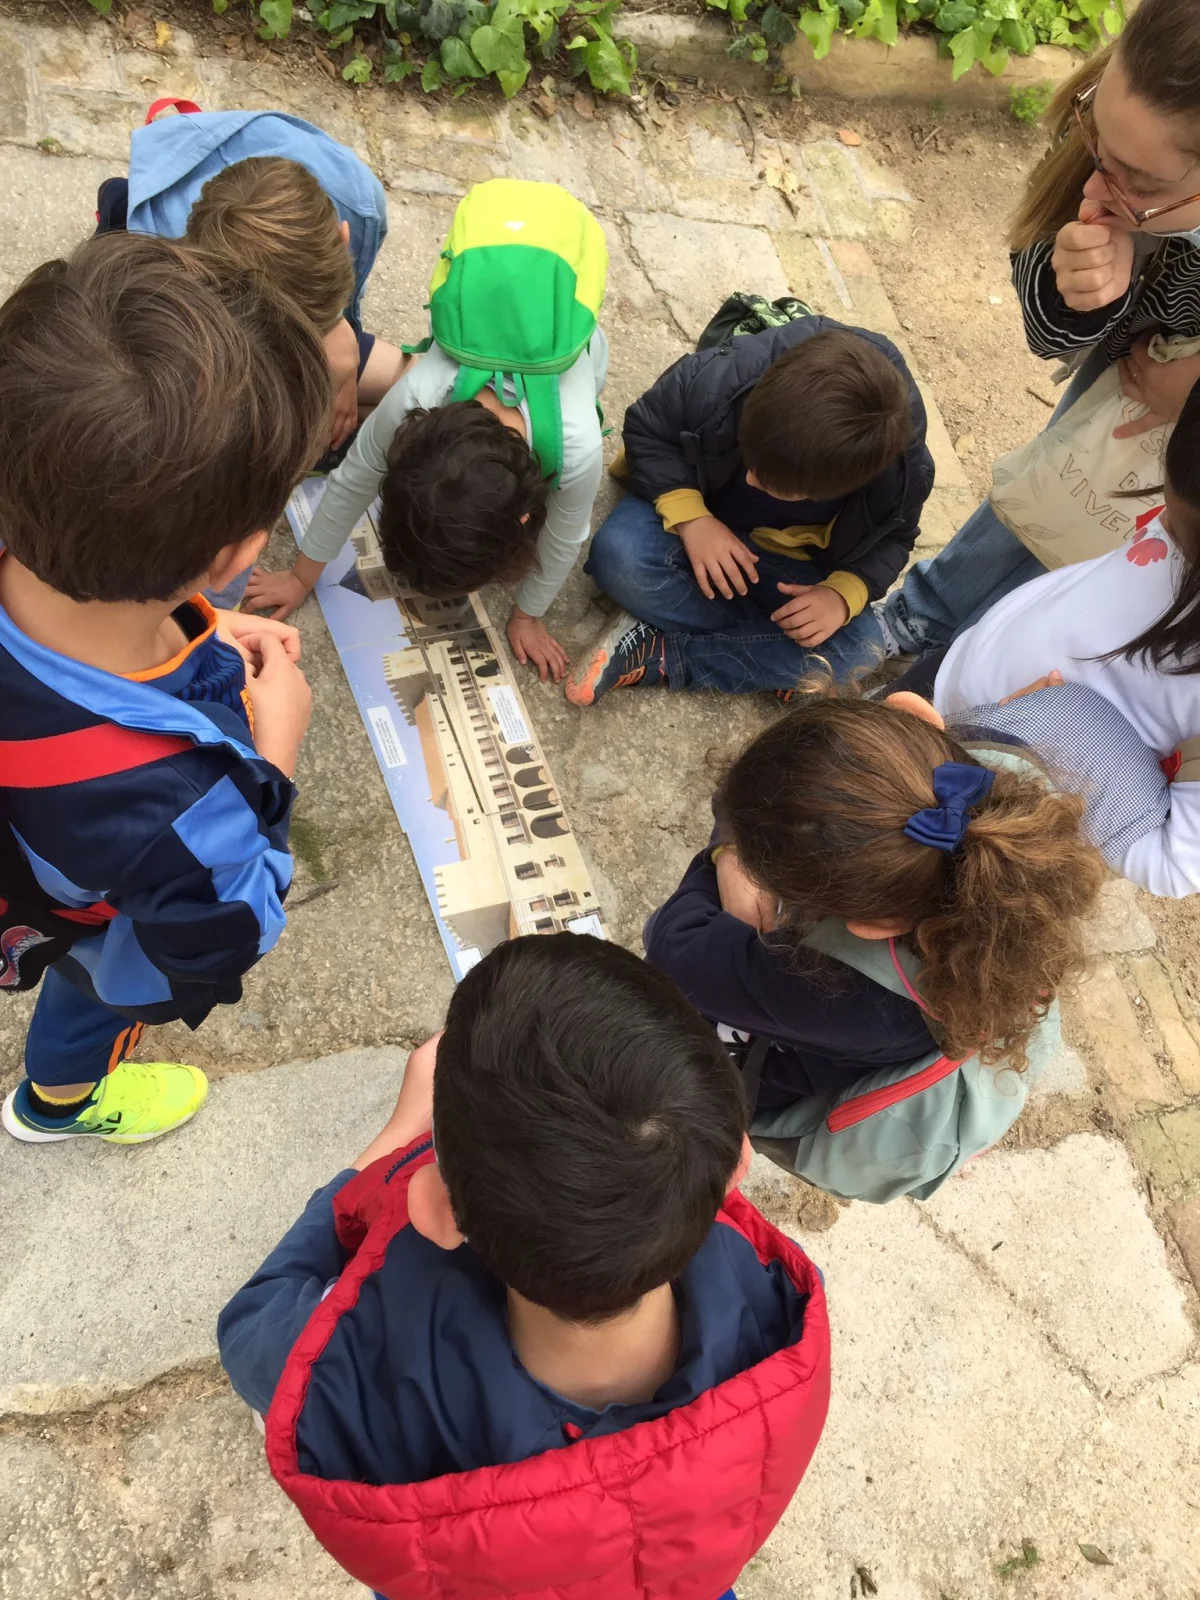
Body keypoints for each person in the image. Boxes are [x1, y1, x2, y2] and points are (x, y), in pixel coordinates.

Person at [218, 934, 830, 1600]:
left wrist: (392, 1143)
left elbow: (253, 1331)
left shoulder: (361, 1374)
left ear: (438, 1213)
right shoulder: (779, 1319)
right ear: (735, 1165)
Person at [0, 233, 329, 1145]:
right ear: (235, 555)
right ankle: (58, 1104)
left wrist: (202, 626)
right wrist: (277, 749)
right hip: (77, 916)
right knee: (103, 994)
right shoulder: (194, 813)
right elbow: (232, 930)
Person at [645, 696, 1104, 1199]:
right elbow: (785, 792)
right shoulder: (981, 787)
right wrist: (739, 849)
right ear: (915, 722)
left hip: (794, 1064)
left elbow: (676, 945)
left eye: (765, 867)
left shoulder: (842, 989)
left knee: (662, 1063)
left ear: (874, 924)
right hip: (910, 1011)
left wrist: (726, 856)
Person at [875, 0, 1200, 661]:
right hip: (1123, 381)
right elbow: (1044, 331)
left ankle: (989, 669)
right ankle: (917, 622)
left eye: (1139, 180)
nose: (1101, 179)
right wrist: (1080, 294)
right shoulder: (1121, 125)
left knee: (1110, 563)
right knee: (1051, 493)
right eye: (1096, 142)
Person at [246, 180, 609, 686]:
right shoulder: (417, 394)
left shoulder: (578, 446)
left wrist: (529, 614)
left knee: (589, 367)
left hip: (567, 331)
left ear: (528, 516)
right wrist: (301, 575)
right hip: (501, 298)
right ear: (404, 447)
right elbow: (355, 477)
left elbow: (567, 534)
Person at [97, 107, 406, 601]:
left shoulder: (357, 208)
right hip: (223, 342)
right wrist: (323, 390)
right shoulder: (158, 290)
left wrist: (343, 373)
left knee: (410, 377)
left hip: (273, 315)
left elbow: (337, 314)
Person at [564, 318, 933, 704]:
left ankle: (661, 651)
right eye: (751, 460)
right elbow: (648, 430)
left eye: (780, 486)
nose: (753, 480)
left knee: (859, 653)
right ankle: (765, 656)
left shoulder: (903, 475)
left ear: (847, 484)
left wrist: (840, 597)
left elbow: (894, 538)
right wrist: (694, 519)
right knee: (619, 555)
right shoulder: (726, 377)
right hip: (690, 515)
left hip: (787, 564)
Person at [932, 378, 1200, 898]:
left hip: (996, 810)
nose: (1166, 526)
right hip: (953, 687)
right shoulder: (1186, 507)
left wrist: (1050, 731)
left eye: (1189, 541)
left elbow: (1173, 865)